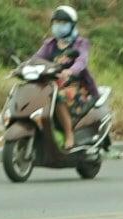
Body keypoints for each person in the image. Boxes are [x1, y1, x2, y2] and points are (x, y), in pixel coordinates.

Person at [33, 6, 99, 152]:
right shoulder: (50, 44)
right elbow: (36, 59)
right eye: (56, 22)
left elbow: (82, 61)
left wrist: (70, 71)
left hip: (77, 86)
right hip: (53, 83)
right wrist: (23, 68)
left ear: (72, 24)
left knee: (58, 96)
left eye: (63, 23)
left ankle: (69, 134)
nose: (59, 26)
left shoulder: (81, 43)